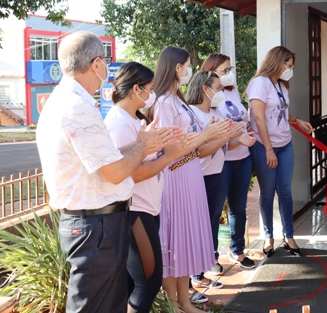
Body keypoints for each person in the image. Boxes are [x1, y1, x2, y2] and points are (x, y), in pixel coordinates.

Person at [36, 31, 177, 313]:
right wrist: (144, 145)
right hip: (94, 226)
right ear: (97, 64)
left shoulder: (71, 100)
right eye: (106, 62)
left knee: (109, 304)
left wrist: (140, 144)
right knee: (93, 306)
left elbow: (107, 161)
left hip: (99, 223)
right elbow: (115, 172)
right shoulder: (75, 106)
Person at [104, 62, 199, 313]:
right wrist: (168, 156)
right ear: (136, 89)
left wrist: (165, 139)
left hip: (147, 208)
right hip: (134, 210)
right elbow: (131, 174)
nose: (152, 94)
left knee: (134, 281)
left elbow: (147, 153)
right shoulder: (119, 124)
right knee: (148, 281)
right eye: (150, 88)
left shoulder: (133, 119)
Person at [146, 46, 232, 313]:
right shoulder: (162, 102)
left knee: (183, 243)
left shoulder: (178, 100)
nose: (190, 69)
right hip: (175, 177)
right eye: (187, 65)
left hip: (190, 172)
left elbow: (191, 142)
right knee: (172, 243)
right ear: (177, 68)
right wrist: (206, 135)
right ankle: (173, 303)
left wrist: (211, 136)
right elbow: (169, 146)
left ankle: (184, 300)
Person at [185, 71, 255, 285]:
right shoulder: (193, 113)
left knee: (211, 221)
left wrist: (240, 138)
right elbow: (200, 150)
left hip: (216, 172)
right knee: (200, 223)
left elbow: (225, 144)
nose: (220, 92)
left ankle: (202, 269)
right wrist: (226, 136)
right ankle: (195, 274)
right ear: (205, 89)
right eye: (217, 88)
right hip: (200, 174)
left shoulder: (216, 112)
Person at [247, 46, 312, 257]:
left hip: (285, 145)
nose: (290, 70)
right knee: (267, 192)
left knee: (285, 191)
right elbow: (258, 118)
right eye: (288, 65)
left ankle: (289, 235)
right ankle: (268, 237)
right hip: (265, 146)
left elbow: (279, 112)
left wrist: (297, 120)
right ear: (277, 62)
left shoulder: (281, 84)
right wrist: (268, 149)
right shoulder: (259, 83)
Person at [201, 54, 256, 270]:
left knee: (238, 208)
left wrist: (247, 127)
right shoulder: (210, 97)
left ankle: (238, 251)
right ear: (211, 72)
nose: (229, 74)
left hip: (242, 159)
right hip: (221, 161)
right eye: (225, 70)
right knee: (214, 211)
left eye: (230, 69)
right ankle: (210, 256)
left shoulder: (232, 91)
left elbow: (239, 119)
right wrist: (235, 139)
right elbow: (213, 136)